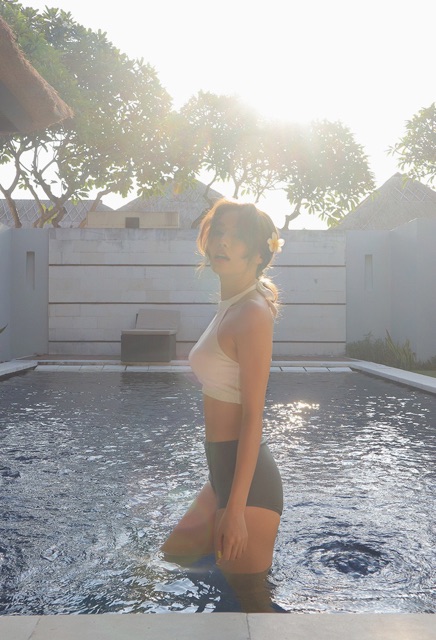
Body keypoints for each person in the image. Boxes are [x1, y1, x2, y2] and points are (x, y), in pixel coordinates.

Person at [161, 198, 284, 612]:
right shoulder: (231, 306)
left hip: (247, 485)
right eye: (219, 231)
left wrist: (234, 511)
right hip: (222, 471)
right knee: (174, 556)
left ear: (259, 253)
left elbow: (254, 416)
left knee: (252, 603)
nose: (223, 241)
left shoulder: (252, 313)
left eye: (237, 236)